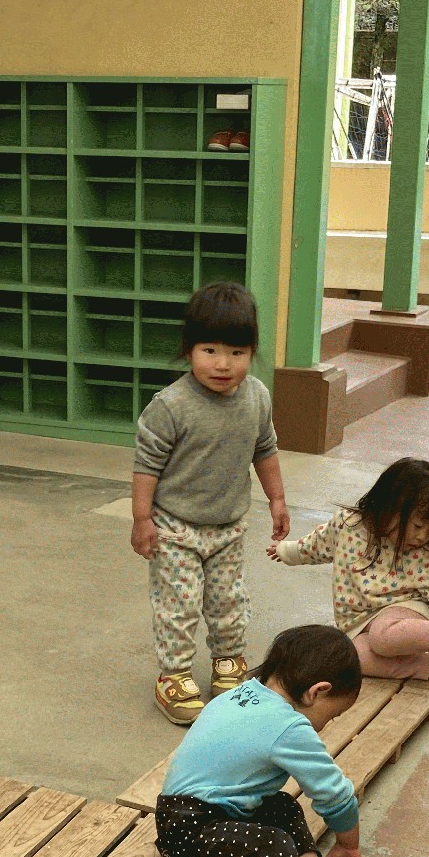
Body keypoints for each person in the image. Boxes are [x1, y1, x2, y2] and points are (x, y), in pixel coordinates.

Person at [156, 625, 397, 857]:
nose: (326, 725)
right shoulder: (288, 726)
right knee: (272, 845)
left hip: (184, 821)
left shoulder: (241, 693)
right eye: (333, 715)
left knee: (282, 804)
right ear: (318, 692)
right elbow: (335, 795)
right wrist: (348, 846)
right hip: (189, 844)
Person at [132, 282, 289, 725]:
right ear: (189, 350)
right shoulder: (170, 406)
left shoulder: (256, 397)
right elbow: (146, 464)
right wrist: (141, 518)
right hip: (174, 527)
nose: (223, 364)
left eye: (237, 353)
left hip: (228, 526)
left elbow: (265, 449)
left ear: (252, 352)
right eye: (210, 350)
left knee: (228, 600)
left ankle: (228, 661)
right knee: (179, 605)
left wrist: (277, 498)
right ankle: (173, 676)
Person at [270, 458, 429, 727]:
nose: (423, 537)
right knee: (351, 658)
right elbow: (316, 545)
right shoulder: (347, 525)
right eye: (418, 526)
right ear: (389, 506)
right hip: (358, 623)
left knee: (383, 636)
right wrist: (286, 551)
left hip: (406, 609)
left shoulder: (417, 550)